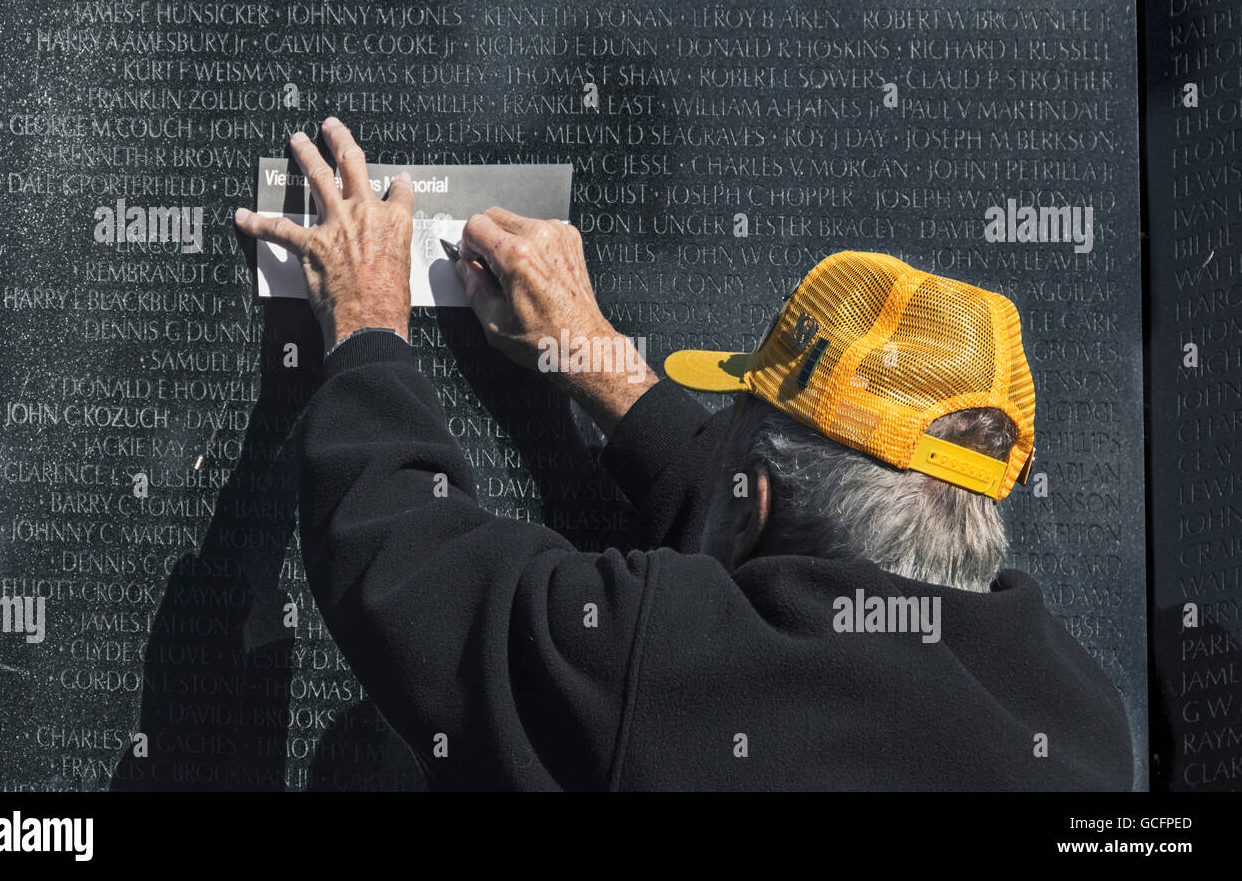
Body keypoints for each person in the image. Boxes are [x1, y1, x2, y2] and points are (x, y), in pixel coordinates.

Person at [235, 116, 1134, 790]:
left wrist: (365, 324)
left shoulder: (675, 675)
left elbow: (413, 576)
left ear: (758, 502)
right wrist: (597, 360)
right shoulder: (1084, 721)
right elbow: (794, 559)